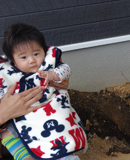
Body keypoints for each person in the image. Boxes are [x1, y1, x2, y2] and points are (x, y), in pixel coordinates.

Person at [0, 23, 85, 160]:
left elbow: (65, 69)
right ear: (13, 61)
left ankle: (64, 157)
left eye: (36, 53)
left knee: (59, 128)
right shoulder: (6, 73)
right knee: (6, 131)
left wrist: (53, 75)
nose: (32, 60)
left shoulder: (48, 65)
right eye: (24, 57)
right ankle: (24, 156)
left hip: (48, 109)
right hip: (19, 115)